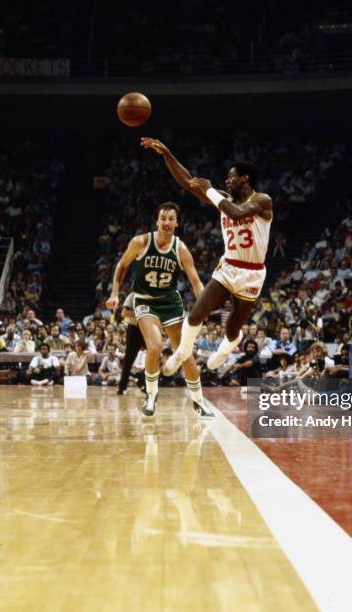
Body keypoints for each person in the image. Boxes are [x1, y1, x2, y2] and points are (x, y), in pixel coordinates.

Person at [140, 138, 273, 378]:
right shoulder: (224, 198)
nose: (227, 180)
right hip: (229, 266)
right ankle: (182, 352)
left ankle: (230, 344)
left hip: (253, 273)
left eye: (231, 176)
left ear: (244, 178)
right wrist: (167, 154)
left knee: (232, 329)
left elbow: (235, 213)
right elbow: (189, 183)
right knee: (195, 314)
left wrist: (209, 189)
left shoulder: (262, 201)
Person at [106, 202, 214, 418]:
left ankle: (199, 401)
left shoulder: (181, 249)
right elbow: (121, 265)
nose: (166, 222)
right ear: (157, 221)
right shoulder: (141, 242)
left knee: (184, 353)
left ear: (177, 223)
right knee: (154, 346)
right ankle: (152, 395)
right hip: (145, 300)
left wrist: (204, 302)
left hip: (171, 302)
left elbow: (195, 281)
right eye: (163, 218)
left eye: (171, 218)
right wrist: (115, 292)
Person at [117, 292, 146, 395]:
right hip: (134, 329)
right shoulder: (133, 295)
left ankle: (142, 379)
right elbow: (124, 313)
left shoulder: (156, 294)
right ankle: (122, 387)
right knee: (129, 359)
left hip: (148, 329)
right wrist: (142, 312)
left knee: (156, 356)